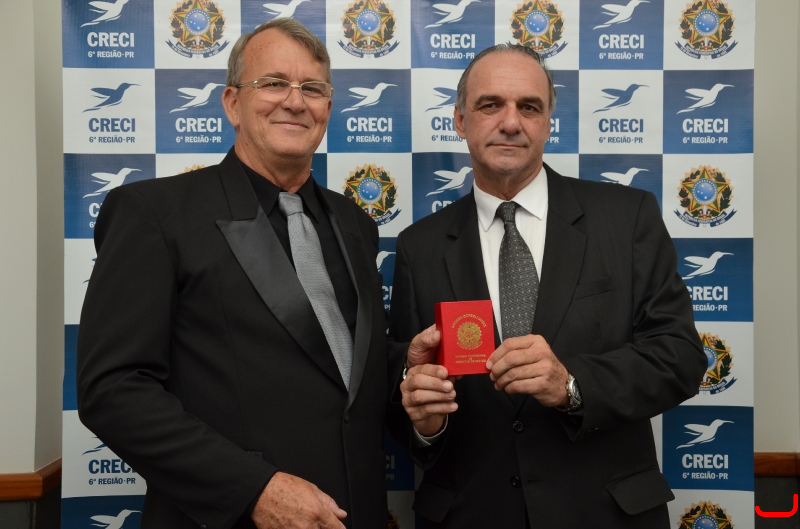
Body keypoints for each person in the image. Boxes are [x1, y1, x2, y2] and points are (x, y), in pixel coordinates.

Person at [77, 18, 413, 529]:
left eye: (313, 89)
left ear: (327, 108)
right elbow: (113, 390)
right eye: (274, 83)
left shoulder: (355, 224)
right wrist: (253, 489)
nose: (295, 101)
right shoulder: (153, 213)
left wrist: (406, 368)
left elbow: (338, 366)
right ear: (232, 103)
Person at [389, 44, 706, 528]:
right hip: (472, 516)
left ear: (548, 123)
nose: (510, 122)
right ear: (459, 120)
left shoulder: (626, 219)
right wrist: (425, 422)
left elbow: (680, 358)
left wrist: (572, 386)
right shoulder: (420, 246)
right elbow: (403, 399)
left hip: (605, 515)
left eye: (529, 107)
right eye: (490, 105)